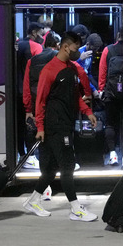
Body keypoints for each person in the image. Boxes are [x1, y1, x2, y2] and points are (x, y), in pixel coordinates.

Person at [23, 31, 98, 222]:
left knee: (50, 169)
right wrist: (40, 127)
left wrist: (88, 112)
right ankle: (76, 209)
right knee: (67, 166)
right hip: (55, 125)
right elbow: (39, 102)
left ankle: (33, 201)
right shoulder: (49, 70)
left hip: (65, 123)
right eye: (75, 47)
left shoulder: (71, 69)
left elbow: (74, 97)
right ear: (66, 47)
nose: (77, 51)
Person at [22, 31, 60, 169]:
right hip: (55, 104)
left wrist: (28, 109)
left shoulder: (31, 61)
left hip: (37, 103)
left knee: (38, 133)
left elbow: (26, 87)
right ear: (57, 45)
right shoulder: (59, 58)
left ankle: (38, 163)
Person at [16, 22, 44, 161]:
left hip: (15, 91)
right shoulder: (36, 47)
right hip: (29, 92)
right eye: (40, 33)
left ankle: (21, 153)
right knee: (30, 124)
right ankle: (31, 156)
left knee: (19, 124)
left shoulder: (17, 45)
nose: (42, 37)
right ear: (33, 32)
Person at [98, 30, 123, 166]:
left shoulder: (108, 50)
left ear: (118, 35)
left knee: (110, 123)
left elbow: (102, 72)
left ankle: (113, 154)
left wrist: (101, 89)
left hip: (111, 92)